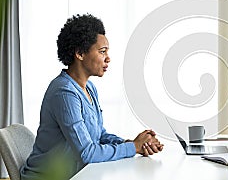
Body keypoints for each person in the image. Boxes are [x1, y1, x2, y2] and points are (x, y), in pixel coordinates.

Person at [21, 14, 164, 180]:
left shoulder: (89, 87)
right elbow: (87, 153)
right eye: (102, 52)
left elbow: (99, 135)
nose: (108, 58)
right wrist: (133, 147)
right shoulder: (64, 93)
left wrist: (132, 143)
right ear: (80, 53)